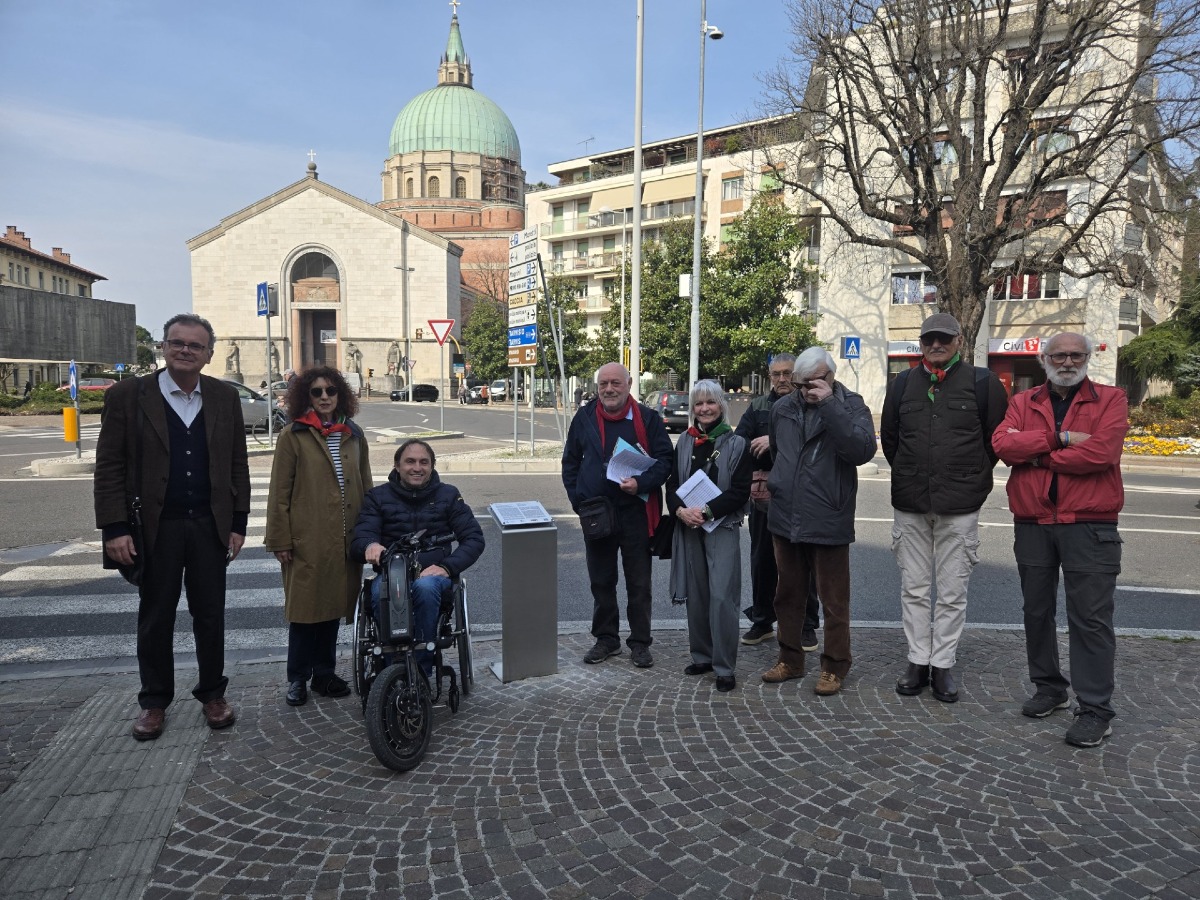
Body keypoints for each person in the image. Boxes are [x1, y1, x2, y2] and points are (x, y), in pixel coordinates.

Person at [94, 313, 251, 741]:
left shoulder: (223, 396)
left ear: (209, 354)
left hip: (208, 525)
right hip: (154, 527)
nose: (185, 350)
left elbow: (237, 463)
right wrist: (114, 527)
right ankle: (154, 701)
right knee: (156, 616)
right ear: (163, 347)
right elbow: (109, 466)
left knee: (210, 615)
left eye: (195, 345)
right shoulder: (129, 395)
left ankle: (213, 694)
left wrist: (238, 523)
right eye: (177, 342)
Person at [992, 333, 1127, 748]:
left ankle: (1095, 709)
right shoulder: (1023, 401)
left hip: (1089, 524)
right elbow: (1002, 445)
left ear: (1087, 358)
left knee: (1090, 618)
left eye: (1075, 355)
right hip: (1032, 520)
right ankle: (1049, 688)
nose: (1067, 362)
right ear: (1044, 359)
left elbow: (1101, 454)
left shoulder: (1111, 399)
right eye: (1059, 355)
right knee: (1036, 611)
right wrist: (1060, 439)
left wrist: (1034, 456)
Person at [880, 313, 1009, 703]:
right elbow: (891, 440)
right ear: (921, 344)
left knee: (953, 592)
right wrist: (913, 472)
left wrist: (966, 475)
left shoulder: (983, 383)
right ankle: (918, 660)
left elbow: (994, 442)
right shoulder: (902, 384)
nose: (936, 345)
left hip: (961, 502)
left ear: (958, 341)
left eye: (944, 339)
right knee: (914, 588)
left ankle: (943, 664)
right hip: (911, 501)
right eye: (929, 339)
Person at [762, 348, 876, 696]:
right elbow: (779, 453)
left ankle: (835, 666)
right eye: (801, 384)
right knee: (787, 595)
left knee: (834, 600)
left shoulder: (851, 405)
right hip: (786, 515)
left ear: (829, 376)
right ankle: (790, 660)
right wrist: (778, 485)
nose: (805, 390)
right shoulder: (783, 408)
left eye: (812, 383)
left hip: (829, 515)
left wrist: (829, 406)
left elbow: (861, 451)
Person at [265, 367, 373, 707]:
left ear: (341, 394)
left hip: (345, 539)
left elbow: (366, 485)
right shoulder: (293, 435)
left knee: (332, 607)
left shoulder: (353, 433)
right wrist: (280, 540)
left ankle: (324, 674)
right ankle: (297, 677)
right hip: (306, 539)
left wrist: (370, 533)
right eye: (316, 391)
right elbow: (279, 493)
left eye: (330, 390)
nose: (324, 397)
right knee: (304, 612)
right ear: (306, 397)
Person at [562, 362, 673, 668]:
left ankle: (640, 642)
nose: (609, 389)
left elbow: (665, 461)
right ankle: (606, 639)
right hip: (597, 513)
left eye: (616, 383)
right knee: (601, 580)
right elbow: (570, 462)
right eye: (604, 384)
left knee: (639, 583)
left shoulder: (648, 419)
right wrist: (578, 502)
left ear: (629, 384)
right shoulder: (584, 417)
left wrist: (641, 483)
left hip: (636, 511)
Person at [352, 439, 484, 676]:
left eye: (424, 462)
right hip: (392, 573)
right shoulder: (377, 497)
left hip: (433, 574)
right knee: (380, 592)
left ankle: (419, 672)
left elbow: (474, 539)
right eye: (410, 461)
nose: (417, 468)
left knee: (425, 587)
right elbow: (361, 536)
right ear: (397, 465)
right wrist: (370, 545)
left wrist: (446, 567)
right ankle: (391, 669)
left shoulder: (449, 495)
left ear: (432, 466)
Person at [667, 381, 752, 692]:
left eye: (710, 402)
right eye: (698, 403)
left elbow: (740, 492)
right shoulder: (684, 441)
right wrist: (680, 511)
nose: (704, 409)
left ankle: (724, 666)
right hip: (689, 527)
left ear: (721, 405)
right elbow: (672, 485)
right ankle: (702, 655)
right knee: (698, 595)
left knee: (722, 598)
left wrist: (705, 512)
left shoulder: (737, 443)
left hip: (722, 527)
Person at [734, 352, 820, 650]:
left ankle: (807, 625)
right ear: (769, 376)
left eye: (787, 373)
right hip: (765, 496)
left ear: (797, 375)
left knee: (803, 561)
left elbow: (813, 443)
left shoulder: (810, 401)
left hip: (803, 495)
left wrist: (773, 442)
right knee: (762, 560)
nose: (782, 379)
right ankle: (762, 621)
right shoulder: (758, 405)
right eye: (776, 374)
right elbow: (740, 441)